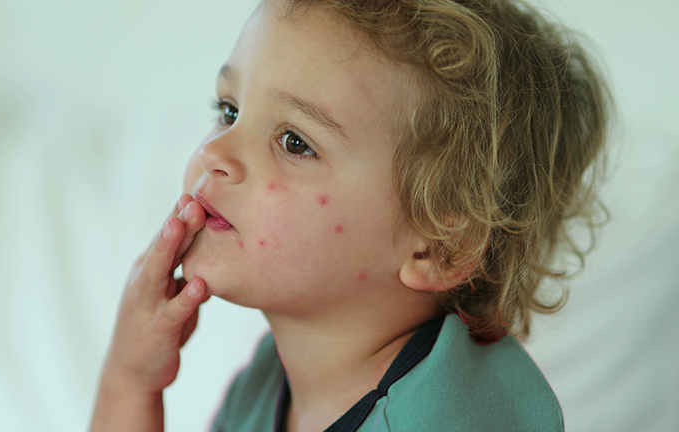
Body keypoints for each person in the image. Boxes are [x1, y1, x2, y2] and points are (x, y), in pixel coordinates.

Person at [90, 0, 610, 430]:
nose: (215, 153)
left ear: (437, 244)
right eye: (229, 111)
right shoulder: (264, 388)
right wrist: (131, 378)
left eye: (295, 142)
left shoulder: (462, 413)